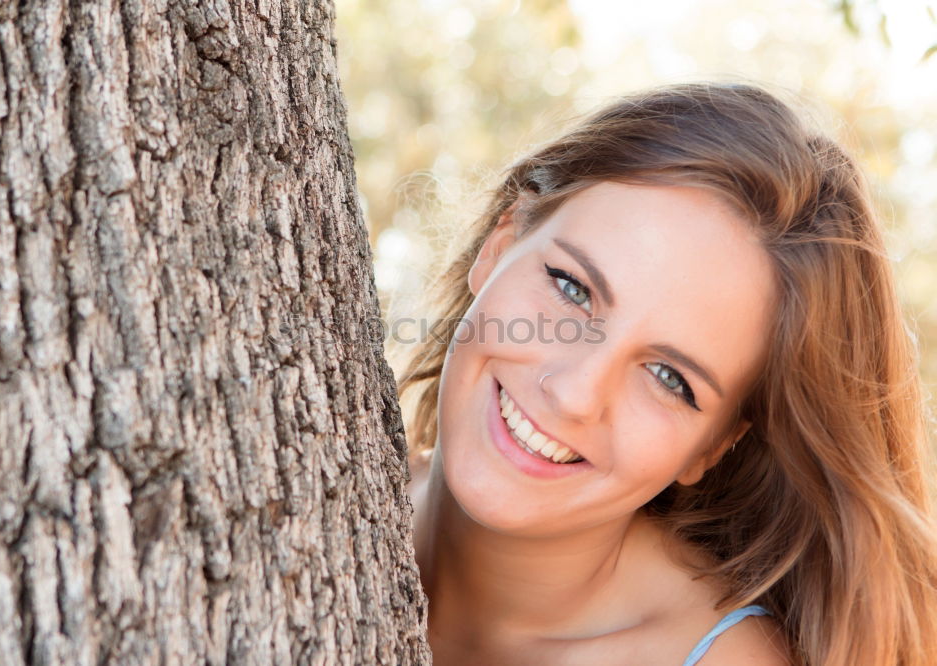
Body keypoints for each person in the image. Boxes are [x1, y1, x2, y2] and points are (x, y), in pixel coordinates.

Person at [397, 83, 937, 665]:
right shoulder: (311, 479)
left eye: (669, 377)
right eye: (572, 288)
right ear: (500, 243)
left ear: (714, 445)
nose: (577, 393)